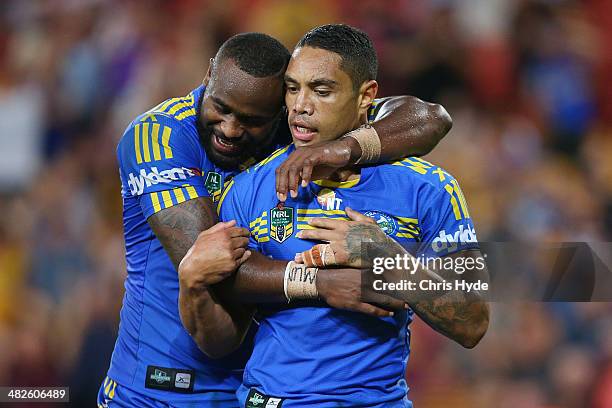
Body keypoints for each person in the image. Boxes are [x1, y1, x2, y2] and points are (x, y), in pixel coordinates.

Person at [99, 32, 453, 407]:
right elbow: (214, 267)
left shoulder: (299, 123)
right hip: (156, 387)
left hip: (251, 388)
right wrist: (320, 284)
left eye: (252, 119)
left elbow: (431, 118)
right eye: (220, 107)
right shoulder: (158, 135)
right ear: (208, 77)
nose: (231, 129)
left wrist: (343, 148)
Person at [184, 24, 489, 407]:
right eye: (293, 88)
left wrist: (383, 255)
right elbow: (219, 340)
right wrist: (191, 284)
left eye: (321, 90)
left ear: (366, 96)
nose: (300, 106)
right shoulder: (249, 189)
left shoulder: (428, 189)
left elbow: (472, 322)